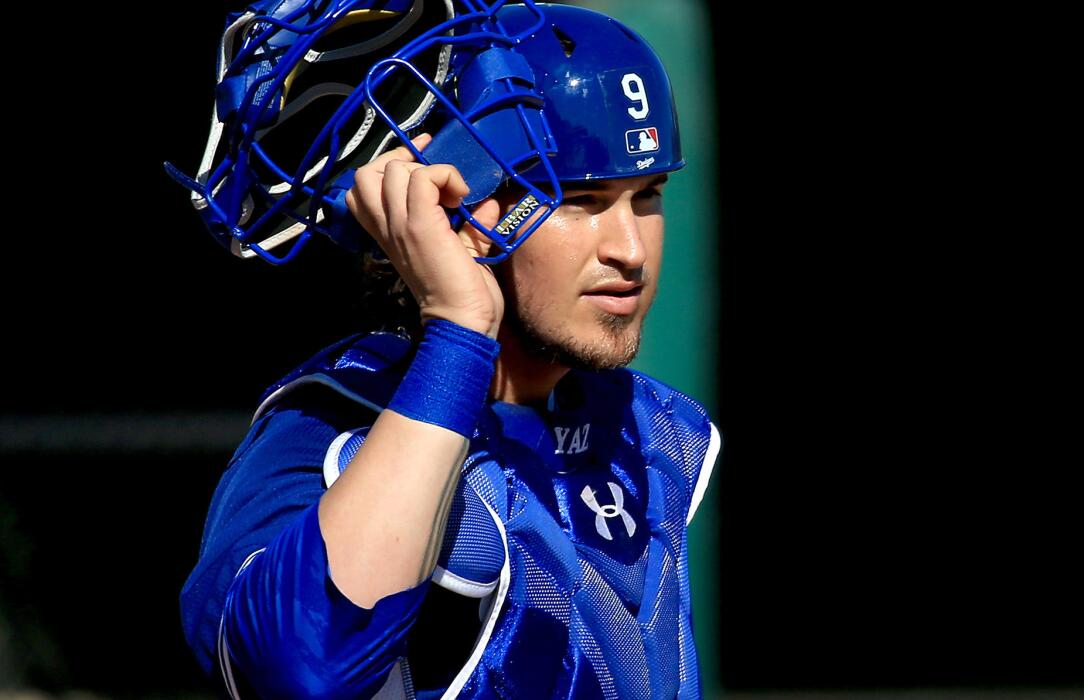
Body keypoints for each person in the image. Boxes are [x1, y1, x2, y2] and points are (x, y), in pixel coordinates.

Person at [178, 3, 720, 698]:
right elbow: (296, 670)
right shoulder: (330, 423)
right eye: (581, 201)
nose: (631, 250)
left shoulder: (656, 429)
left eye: (647, 196)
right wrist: (461, 327)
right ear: (462, 203)